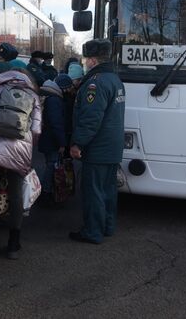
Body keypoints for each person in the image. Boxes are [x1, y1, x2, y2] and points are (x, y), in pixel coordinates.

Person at [0, 70, 42, 262]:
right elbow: (36, 129)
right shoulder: (33, 96)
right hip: (19, 151)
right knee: (16, 194)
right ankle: (13, 246)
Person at [69, 39, 125, 244]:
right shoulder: (114, 79)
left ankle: (92, 232)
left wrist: (78, 143)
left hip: (98, 148)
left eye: (86, 59)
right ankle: (107, 227)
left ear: (92, 60)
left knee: (93, 192)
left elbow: (91, 119)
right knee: (108, 191)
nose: (84, 63)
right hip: (112, 147)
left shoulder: (95, 83)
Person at [37, 80, 66, 205]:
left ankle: (44, 190)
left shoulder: (47, 97)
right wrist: (62, 143)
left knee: (48, 164)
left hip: (45, 138)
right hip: (51, 140)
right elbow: (56, 123)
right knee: (51, 165)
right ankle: (45, 192)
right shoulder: (54, 100)